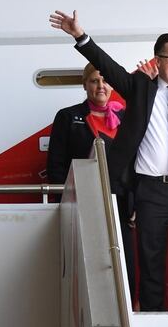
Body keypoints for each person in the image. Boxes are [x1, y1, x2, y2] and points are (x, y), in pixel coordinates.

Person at [49, 10, 168, 311]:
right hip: (151, 192)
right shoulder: (140, 89)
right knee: (150, 267)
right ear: (159, 60)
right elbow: (107, 66)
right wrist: (80, 36)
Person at [46, 63, 137, 300]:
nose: (101, 86)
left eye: (105, 81)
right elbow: (56, 166)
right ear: (85, 84)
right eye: (95, 81)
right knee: (89, 266)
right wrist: (65, 204)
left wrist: (135, 203)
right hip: (83, 203)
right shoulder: (67, 116)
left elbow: (136, 165)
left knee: (123, 268)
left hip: (121, 207)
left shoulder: (127, 116)